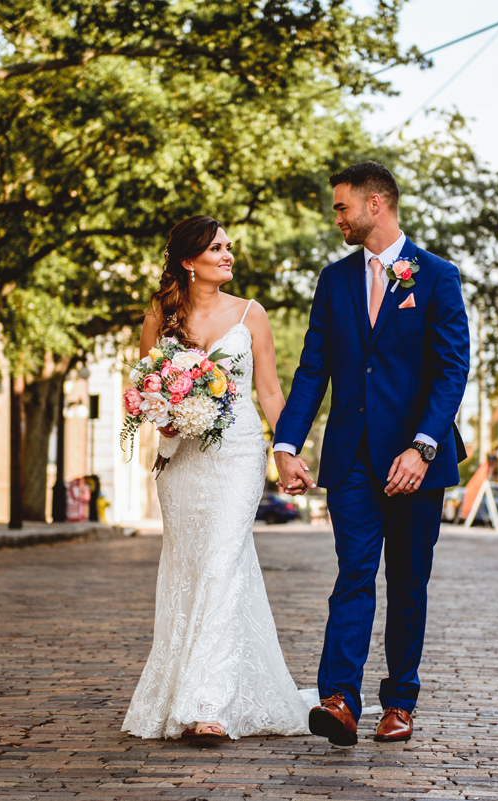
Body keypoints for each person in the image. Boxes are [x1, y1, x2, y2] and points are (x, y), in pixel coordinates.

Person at [274, 161, 470, 745]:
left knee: (408, 582)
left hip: (417, 461)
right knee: (354, 573)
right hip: (354, 457)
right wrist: (286, 443)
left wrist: (423, 446)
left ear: (375, 204)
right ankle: (339, 699)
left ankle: (399, 702)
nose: (336, 217)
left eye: (342, 207)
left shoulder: (436, 277)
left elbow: (451, 370)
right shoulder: (334, 282)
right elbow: (313, 369)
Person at [122, 216, 309, 741]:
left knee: (223, 562)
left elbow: (270, 392)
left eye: (229, 247)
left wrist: (287, 451)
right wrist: (165, 412)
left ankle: (208, 704)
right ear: (189, 261)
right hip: (181, 457)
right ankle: (187, 684)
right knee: (190, 565)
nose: (228, 255)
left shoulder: (252, 315)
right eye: (217, 248)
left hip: (238, 453)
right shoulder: (161, 313)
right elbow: (144, 386)